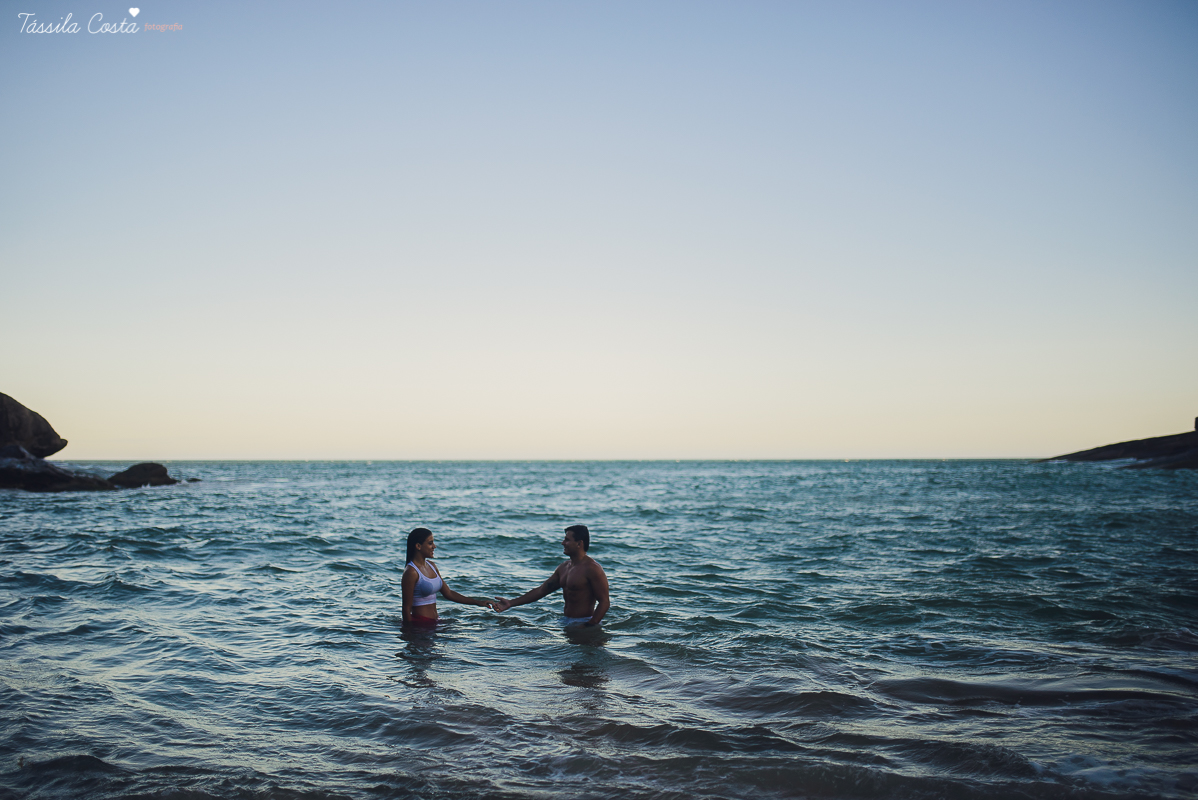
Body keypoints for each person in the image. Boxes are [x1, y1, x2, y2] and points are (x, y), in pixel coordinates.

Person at [494, 525, 610, 627]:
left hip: (584, 622)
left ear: (579, 543)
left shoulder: (592, 568)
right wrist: (511, 603)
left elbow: (604, 602)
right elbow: (541, 590)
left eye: (567, 540)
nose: (562, 543)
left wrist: (590, 625)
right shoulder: (564, 567)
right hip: (566, 620)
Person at [402, 527, 493, 625]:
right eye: (430, 543)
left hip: (435, 621)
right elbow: (406, 609)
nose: (434, 546)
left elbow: (448, 593)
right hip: (420, 624)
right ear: (418, 546)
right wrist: (409, 633)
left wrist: (478, 602)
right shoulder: (411, 572)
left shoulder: (432, 566)